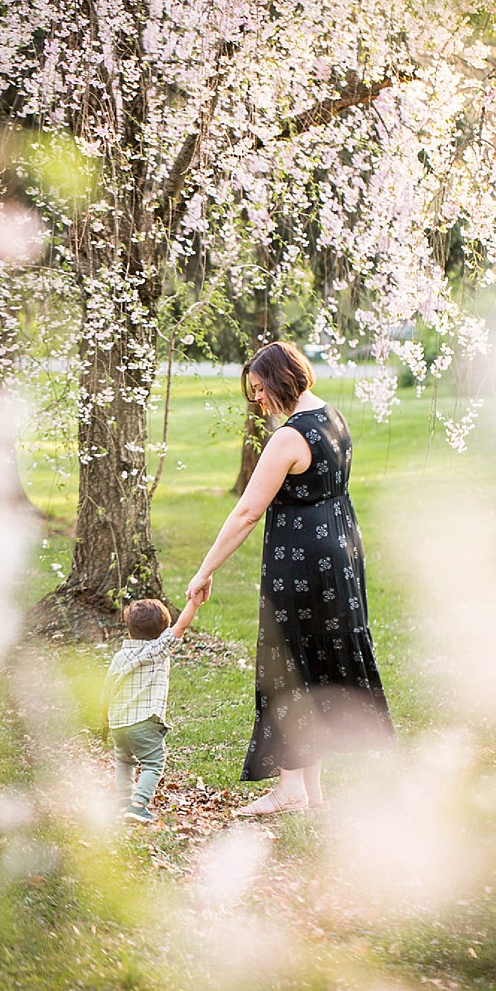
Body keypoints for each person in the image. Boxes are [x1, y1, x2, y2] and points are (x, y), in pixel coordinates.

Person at [187, 341, 394, 816]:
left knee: (287, 665)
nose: (257, 401)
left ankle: (288, 789)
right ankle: (310, 792)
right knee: (312, 662)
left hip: (300, 563)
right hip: (339, 558)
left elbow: (246, 513)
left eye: (259, 390)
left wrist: (204, 571)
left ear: (280, 381)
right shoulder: (334, 418)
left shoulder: (287, 438)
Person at [102, 595, 201, 824]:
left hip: (118, 723)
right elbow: (182, 625)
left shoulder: (119, 656)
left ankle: (123, 802)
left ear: (129, 632)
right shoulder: (158, 649)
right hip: (144, 722)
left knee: (124, 760)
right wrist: (194, 602)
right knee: (153, 762)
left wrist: (105, 721)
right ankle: (138, 806)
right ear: (162, 631)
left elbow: (105, 689)